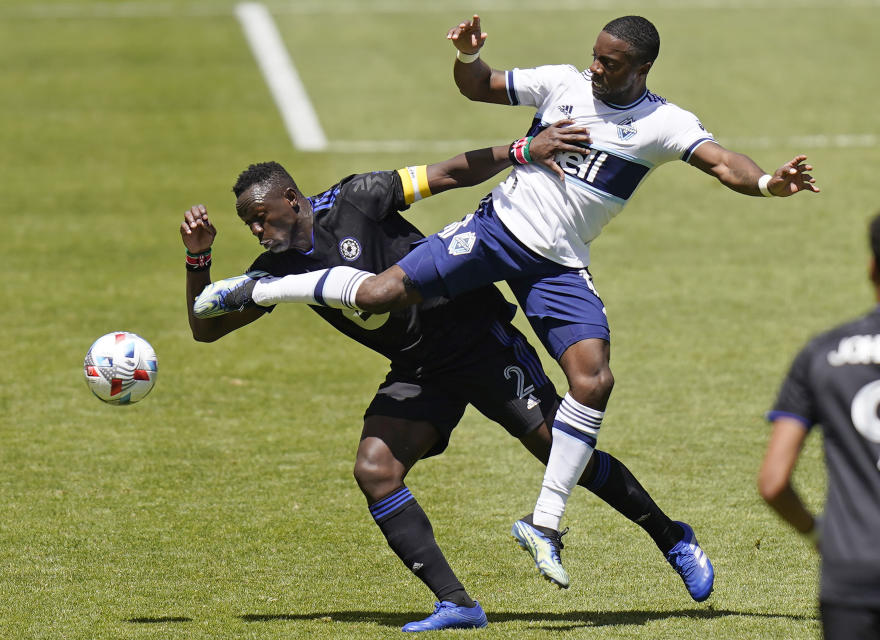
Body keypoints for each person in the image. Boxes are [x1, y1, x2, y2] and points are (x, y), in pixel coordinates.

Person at [196, 14, 816, 591]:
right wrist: (471, 55)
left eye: (609, 62)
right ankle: (261, 288)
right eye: (594, 57)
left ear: (640, 68)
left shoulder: (665, 122)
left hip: (555, 265)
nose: (595, 69)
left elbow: (724, 162)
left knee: (592, 383)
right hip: (493, 234)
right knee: (382, 292)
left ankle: (658, 534)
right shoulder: (562, 85)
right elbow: (480, 86)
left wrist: (767, 183)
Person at [185, 133, 713, 631]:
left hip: (476, 340)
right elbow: (205, 329)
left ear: (290, 199)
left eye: (261, 218)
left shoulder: (357, 198)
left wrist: (520, 151)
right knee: (375, 470)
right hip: (419, 369)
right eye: (249, 225)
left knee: (560, 450)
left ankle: (672, 538)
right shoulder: (272, 273)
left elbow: (448, 173)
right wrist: (199, 257)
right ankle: (457, 604)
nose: (257, 231)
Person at [759, 213, 880, 640]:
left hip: (852, 570)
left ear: (872, 268)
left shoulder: (823, 354)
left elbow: (773, 483)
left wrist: (817, 534)